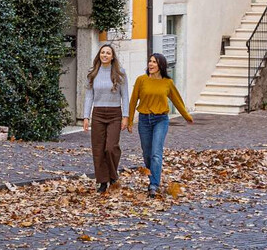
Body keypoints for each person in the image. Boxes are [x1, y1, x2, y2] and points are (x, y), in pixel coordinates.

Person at [125, 52, 193, 197]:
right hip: (144, 120)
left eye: (154, 62)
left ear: (161, 65)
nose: (151, 64)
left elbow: (177, 100)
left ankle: (153, 185)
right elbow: (133, 101)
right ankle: (153, 177)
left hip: (161, 120)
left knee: (156, 153)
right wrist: (130, 120)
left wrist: (186, 116)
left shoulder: (167, 83)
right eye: (150, 61)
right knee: (147, 153)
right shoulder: (141, 80)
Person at [82, 44, 128, 192]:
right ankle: (102, 181)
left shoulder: (120, 73)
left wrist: (125, 116)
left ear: (112, 56)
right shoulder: (93, 72)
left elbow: (125, 95)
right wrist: (86, 116)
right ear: (99, 55)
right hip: (98, 114)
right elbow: (89, 96)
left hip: (115, 113)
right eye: (103, 52)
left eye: (108, 53)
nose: (105, 55)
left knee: (111, 147)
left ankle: (113, 174)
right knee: (98, 149)